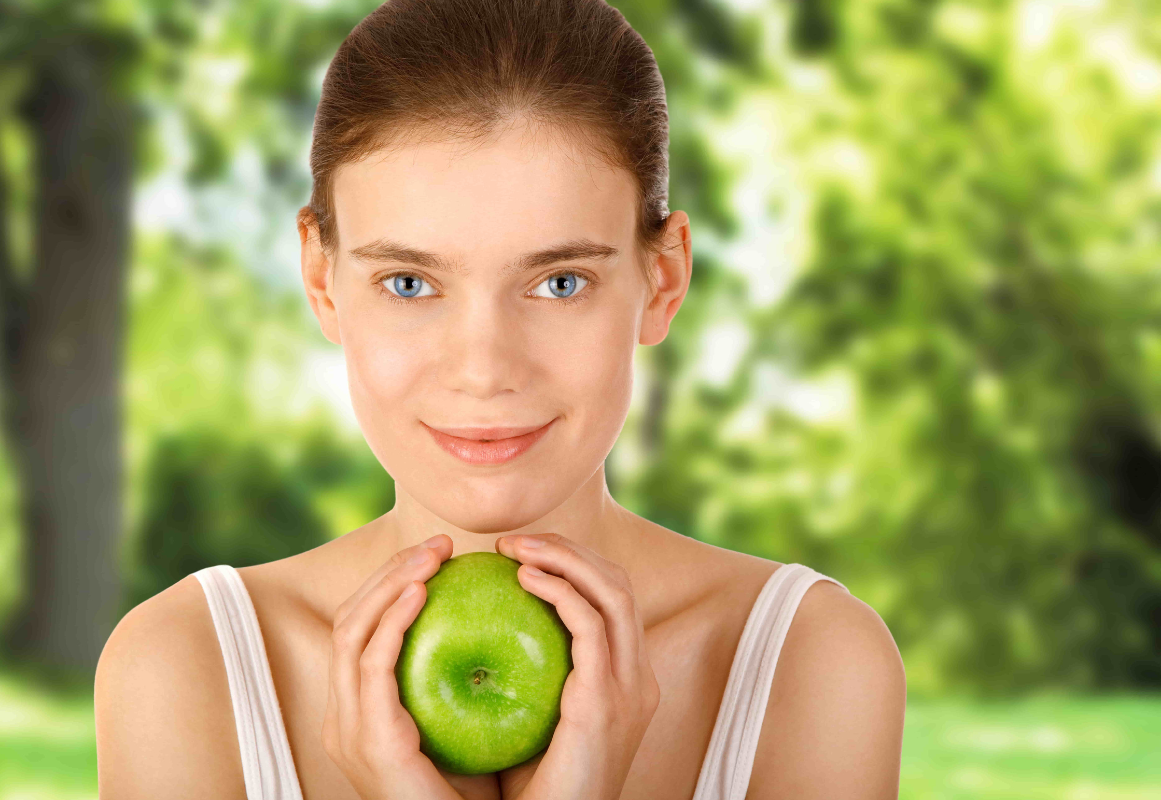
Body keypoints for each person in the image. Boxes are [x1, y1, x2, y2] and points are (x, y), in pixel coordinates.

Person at [94, 0, 906, 798]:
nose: (484, 370)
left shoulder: (807, 662)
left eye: (559, 283)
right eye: (409, 284)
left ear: (662, 279)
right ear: (321, 279)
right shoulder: (189, 665)